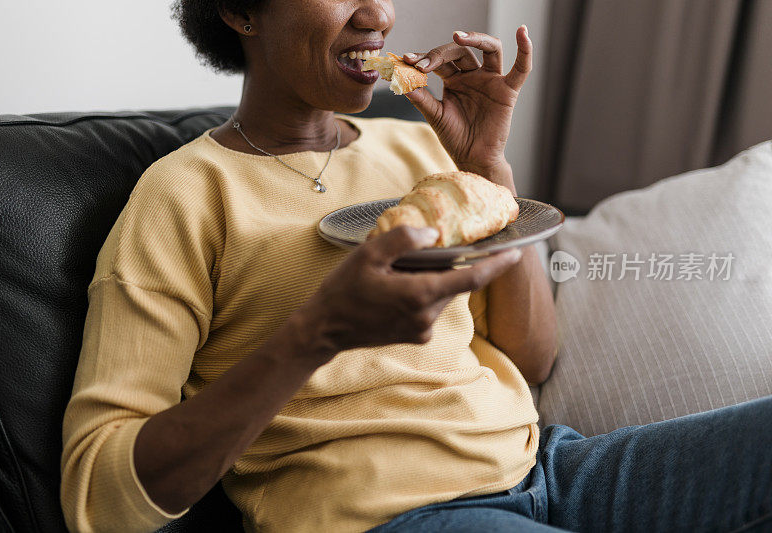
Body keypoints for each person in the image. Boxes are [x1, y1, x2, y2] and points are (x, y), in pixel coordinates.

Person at [60, 1, 772, 532]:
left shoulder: (417, 151)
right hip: (392, 515)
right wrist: (318, 331)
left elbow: (531, 357)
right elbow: (98, 488)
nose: (382, 14)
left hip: (548, 469)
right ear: (242, 9)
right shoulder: (180, 195)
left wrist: (488, 170)